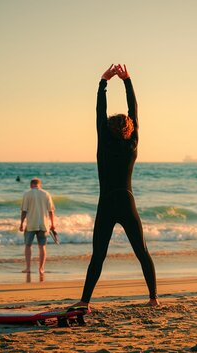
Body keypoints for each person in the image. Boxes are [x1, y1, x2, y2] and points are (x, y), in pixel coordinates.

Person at [71, 64, 159, 310]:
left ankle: (85, 301)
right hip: (127, 201)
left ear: (107, 129)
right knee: (142, 251)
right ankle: (153, 298)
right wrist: (127, 81)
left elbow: (100, 112)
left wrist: (103, 82)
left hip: (107, 204)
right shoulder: (133, 143)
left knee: (98, 255)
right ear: (130, 128)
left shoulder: (104, 141)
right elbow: (135, 110)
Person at [19, 178, 55, 275]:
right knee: (42, 247)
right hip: (43, 224)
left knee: (27, 246)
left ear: (31, 185)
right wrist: (53, 224)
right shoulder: (46, 194)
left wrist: (21, 224)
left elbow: (24, 211)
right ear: (40, 185)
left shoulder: (27, 194)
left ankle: (28, 268)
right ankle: (41, 269)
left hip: (31, 224)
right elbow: (51, 211)